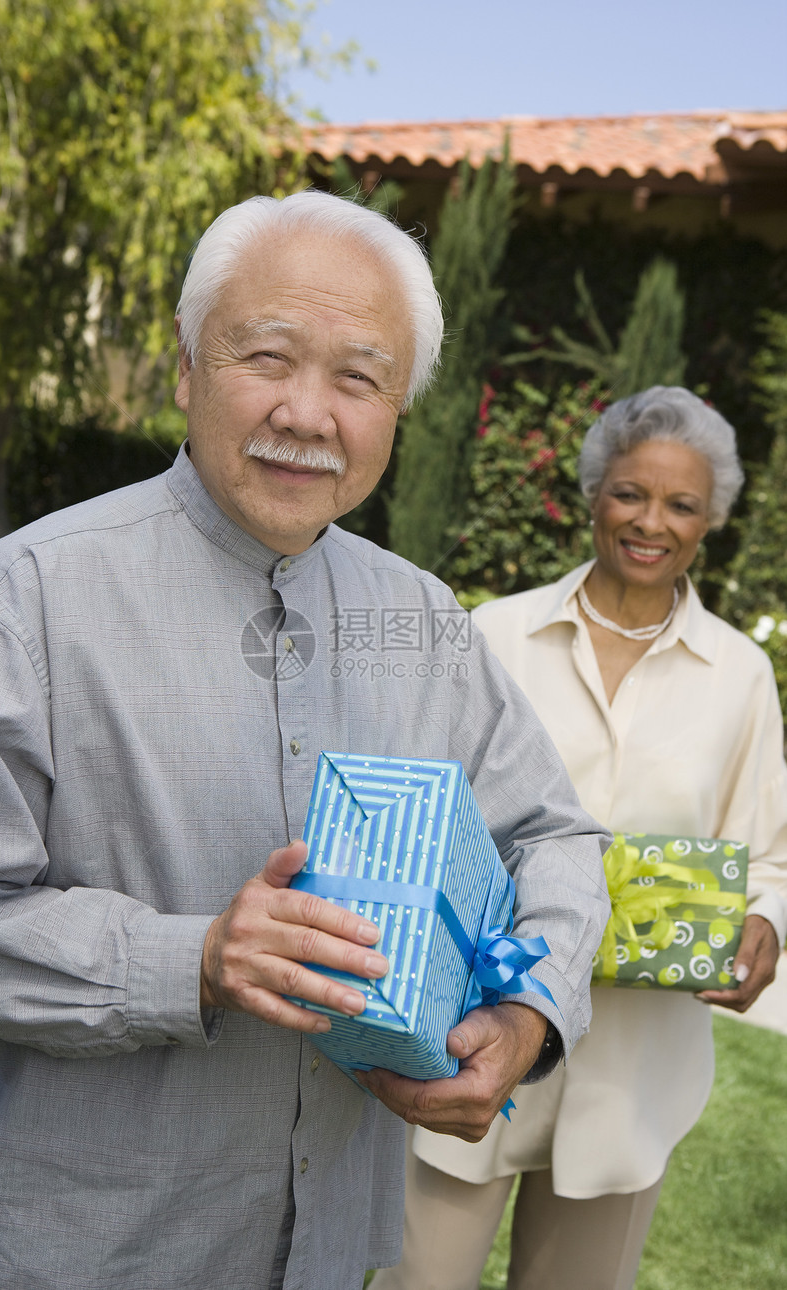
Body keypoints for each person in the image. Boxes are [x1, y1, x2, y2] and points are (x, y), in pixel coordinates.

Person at [0, 191, 611, 1290]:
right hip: (73, 1254)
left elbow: (555, 836)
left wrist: (529, 1013)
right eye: (267, 356)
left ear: (398, 408)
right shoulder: (34, 598)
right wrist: (189, 958)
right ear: (187, 368)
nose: (307, 412)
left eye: (357, 376)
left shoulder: (423, 621)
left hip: (330, 1254)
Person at [374, 385, 787, 1290]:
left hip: (635, 1066)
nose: (652, 522)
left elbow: (768, 856)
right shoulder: (494, 637)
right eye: (631, 493)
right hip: (474, 1028)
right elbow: (425, 818)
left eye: (682, 504)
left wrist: (765, 922)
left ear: (711, 519)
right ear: (594, 493)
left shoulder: (741, 677)